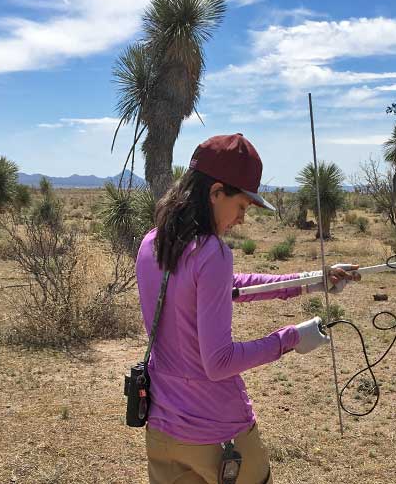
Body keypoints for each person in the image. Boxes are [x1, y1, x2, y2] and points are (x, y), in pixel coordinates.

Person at [135, 133, 360, 484]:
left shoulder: (153, 242)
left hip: (163, 433)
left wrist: (314, 279)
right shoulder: (212, 253)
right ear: (215, 192)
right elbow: (219, 363)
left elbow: (232, 287)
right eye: (241, 206)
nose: (241, 219)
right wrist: (290, 339)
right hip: (220, 437)